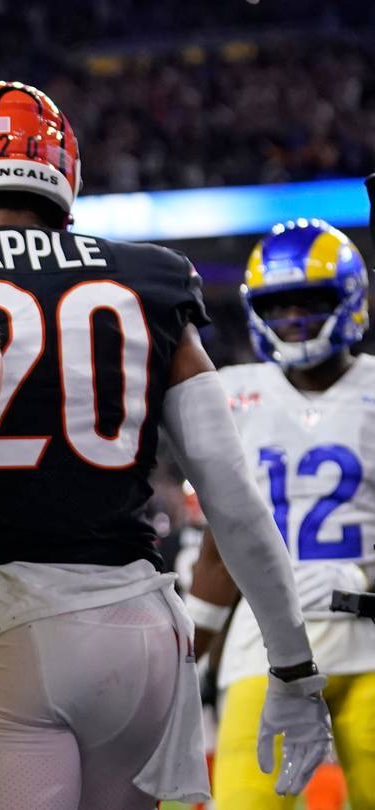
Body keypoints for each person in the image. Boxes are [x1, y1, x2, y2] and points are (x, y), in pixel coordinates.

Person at [0, 81, 331, 809]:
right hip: (143, 635)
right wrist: (293, 665)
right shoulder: (153, 278)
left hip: (13, 629)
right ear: (65, 173)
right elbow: (233, 499)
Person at [186, 218, 375, 808]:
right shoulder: (232, 393)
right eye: (280, 304)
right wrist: (185, 661)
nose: (294, 318)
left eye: (310, 302)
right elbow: (221, 546)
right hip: (264, 645)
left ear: (348, 300)